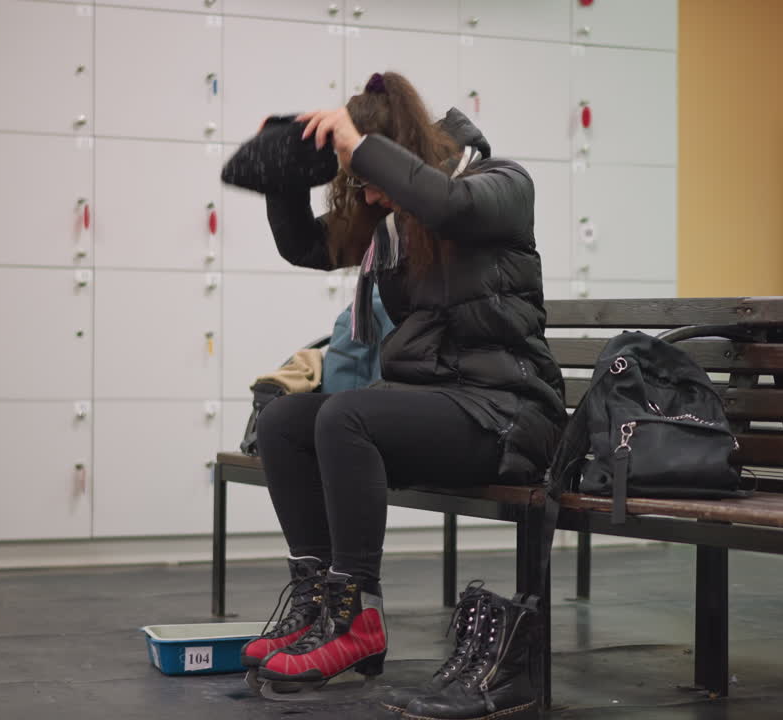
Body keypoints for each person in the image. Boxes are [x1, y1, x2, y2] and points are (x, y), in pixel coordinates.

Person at [239, 72, 566, 693]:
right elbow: (308, 246)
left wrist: (358, 144)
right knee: (286, 421)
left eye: (369, 176)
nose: (367, 194)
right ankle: (318, 603)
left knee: (347, 414)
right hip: (442, 406)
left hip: (509, 414)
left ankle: (355, 612)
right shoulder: (393, 225)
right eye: (356, 182)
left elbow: (446, 204)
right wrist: (280, 175)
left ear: (400, 152)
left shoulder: (501, 185)